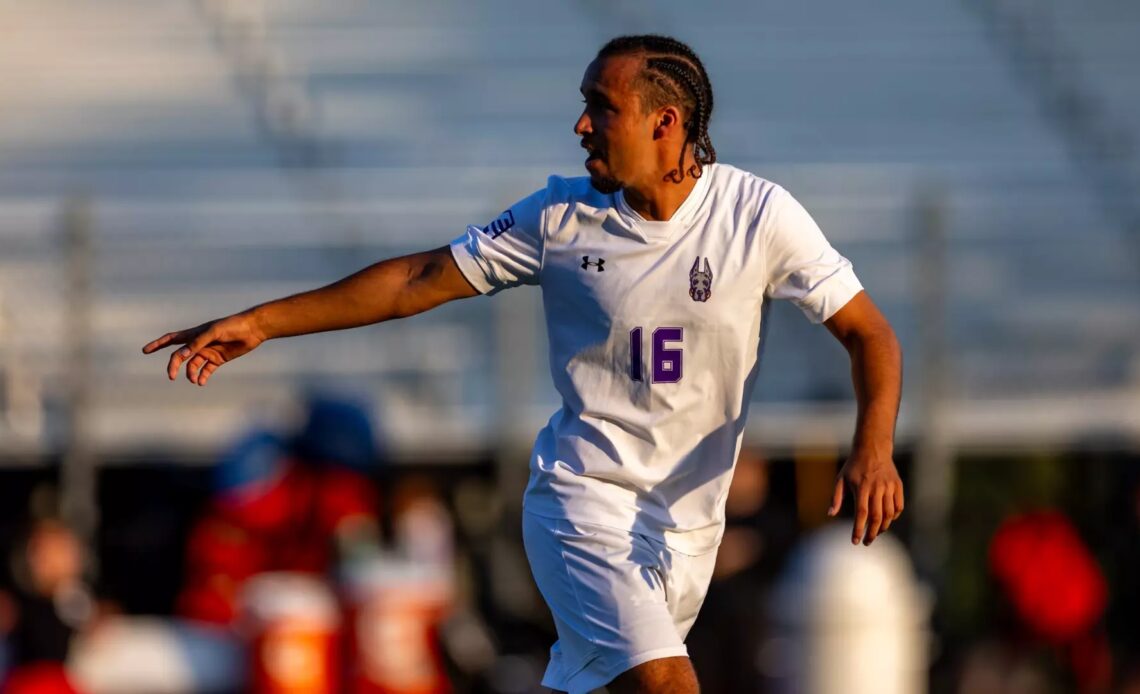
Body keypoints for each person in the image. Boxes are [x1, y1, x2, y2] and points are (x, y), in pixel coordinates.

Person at [143, 34, 904, 694]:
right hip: (584, 505)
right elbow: (417, 281)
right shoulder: (559, 218)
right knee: (669, 684)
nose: (580, 125)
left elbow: (869, 333)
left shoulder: (758, 215)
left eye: (601, 108)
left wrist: (873, 448)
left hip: (686, 527)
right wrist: (263, 323)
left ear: (664, 122)